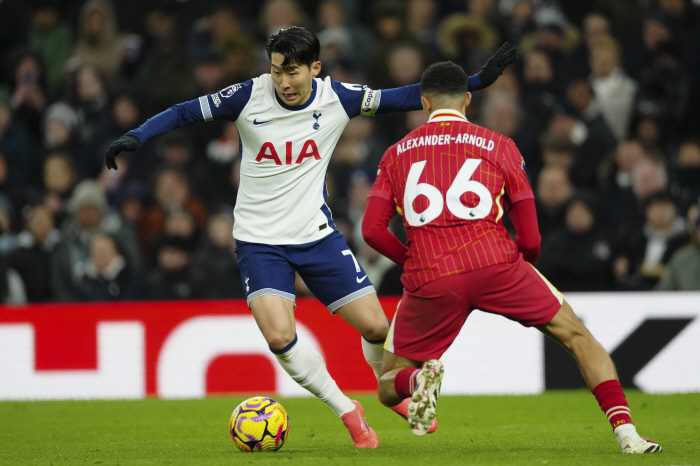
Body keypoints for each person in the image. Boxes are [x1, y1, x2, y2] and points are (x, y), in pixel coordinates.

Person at [104, 26, 517, 448]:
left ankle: (389, 392)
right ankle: (347, 410)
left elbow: (405, 96)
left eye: (293, 72)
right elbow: (183, 111)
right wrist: (137, 135)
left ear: (315, 68)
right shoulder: (247, 96)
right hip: (259, 240)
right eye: (277, 70)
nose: (283, 81)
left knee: (377, 328)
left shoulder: (338, 97)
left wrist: (476, 82)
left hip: (317, 237)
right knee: (280, 337)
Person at [362, 61, 662, 454]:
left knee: (389, 382)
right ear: (468, 99)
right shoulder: (500, 145)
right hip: (496, 263)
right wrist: (517, 264)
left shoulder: (395, 153)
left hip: (431, 274)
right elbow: (531, 235)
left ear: (424, 102)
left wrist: (411, 258)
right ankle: (628, 435)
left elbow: (370, 230)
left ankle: (417, 383)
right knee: (578, 337)